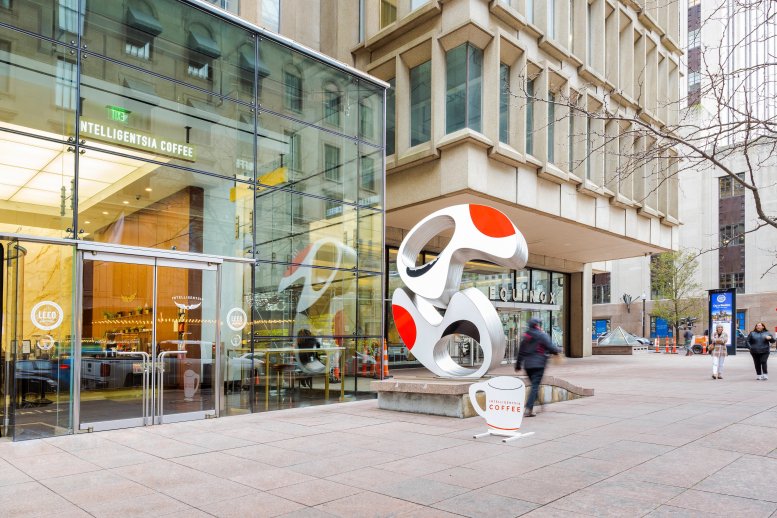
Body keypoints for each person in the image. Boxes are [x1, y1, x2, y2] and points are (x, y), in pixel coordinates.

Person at [516, 318, 560, 417]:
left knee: (534, 386)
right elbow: (550, 347)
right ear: (537, 325)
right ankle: (528, 409)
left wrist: (518, 365)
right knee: (535, 386)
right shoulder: (542, 335)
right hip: (539, 364)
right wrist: (557, 351)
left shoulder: (526, 337)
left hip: (527, 366)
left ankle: (540, 403)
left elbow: (521, 352)